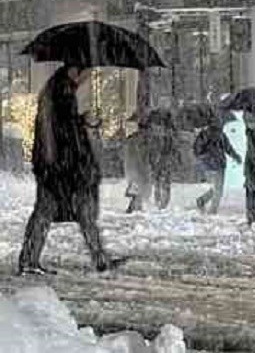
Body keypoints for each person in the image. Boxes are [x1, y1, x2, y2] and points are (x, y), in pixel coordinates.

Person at [19, 65, 123, 275]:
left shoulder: (59, 90)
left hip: (62, 166)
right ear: (75, 70)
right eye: (87, 73)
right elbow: (58, 130)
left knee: (76, 212)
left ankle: (99, 258)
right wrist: (79, 125)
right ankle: (30, 260)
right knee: (50, 212)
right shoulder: (60, 91)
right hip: (62, 167)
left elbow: (61, 126)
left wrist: (81, 120)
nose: (87, 78)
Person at [193, 115, 241, 214]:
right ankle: (212, 210)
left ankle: (202, 200)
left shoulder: (220, 135)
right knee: (218, 189)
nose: (220, 124)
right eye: (217, 122)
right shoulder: (205, 134)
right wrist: (206, 157)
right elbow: (198, 149)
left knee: (217, 188)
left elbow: (228, 148)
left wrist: (236, 156)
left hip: (218, 164)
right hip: (211, 164)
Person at [144, 109, 179, 210]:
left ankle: (161, 201)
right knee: (161, 181)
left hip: (160, 159)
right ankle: (161, 202)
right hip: (161, 160)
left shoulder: (157, 135)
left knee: (159, 181)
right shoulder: (167, 135)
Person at [122, 116, 152, 214]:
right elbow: (137, 156)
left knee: (139, 189)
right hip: (136, 168)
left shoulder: (137, 140)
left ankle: (136, 207)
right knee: (138, 189)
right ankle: (133, 208)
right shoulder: (137, 140)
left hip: (136, 168)